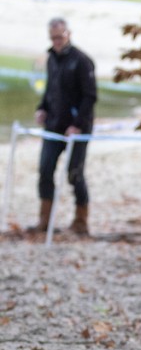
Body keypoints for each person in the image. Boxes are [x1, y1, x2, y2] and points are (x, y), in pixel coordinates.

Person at [29, 18, 97, 236]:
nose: (57, 41)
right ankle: (44, 220)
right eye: (53, 38)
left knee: (74, 173)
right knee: (45, 169)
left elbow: (90, 96)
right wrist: (42, 108)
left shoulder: (82, 61)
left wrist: (77, 125)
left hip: (77, 128)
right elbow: (50, 88)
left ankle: (81, 221)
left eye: (60, 37)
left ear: (68, 34)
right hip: (54, 125)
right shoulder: (51, 58)